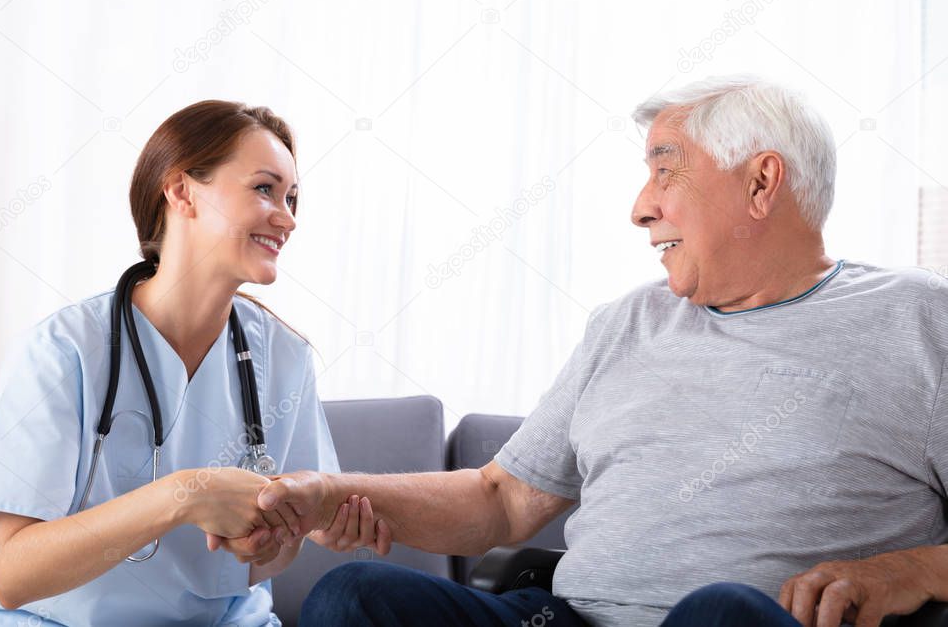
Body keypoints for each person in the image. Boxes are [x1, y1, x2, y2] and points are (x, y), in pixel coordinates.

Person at [240, 77, 948, 627]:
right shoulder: (626, 323)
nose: (640, 207)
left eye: (665, 172)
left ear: (760, 182)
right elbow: (502, 500)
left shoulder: (915, 317)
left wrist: (913, 571)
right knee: (357, 597)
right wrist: (328, 497)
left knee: (719, 611)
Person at [0, 100, 388, 626]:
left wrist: (270, 542)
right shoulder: (64, 350)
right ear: (182, 191)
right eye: (264, 189)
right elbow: (14, 575)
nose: (288, 218)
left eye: (293, 198)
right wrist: (186, 496)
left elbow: (269, 560)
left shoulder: (285, 357)